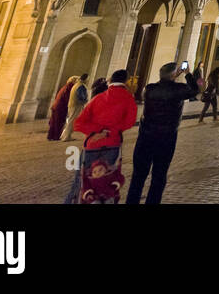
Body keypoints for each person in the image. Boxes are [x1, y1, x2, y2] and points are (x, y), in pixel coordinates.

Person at [125, 62, 198, 205]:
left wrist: (172, 76)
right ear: (173, 74)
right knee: (159, 176)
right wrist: (187, 74)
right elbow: (195, 90)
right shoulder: (178, 89)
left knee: (138, 176)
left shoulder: (149, 89)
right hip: (166, 138)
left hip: (146, 136)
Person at [66, 69, 137, 204]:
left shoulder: (98, 98)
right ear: (126, 82)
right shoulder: (128, 98)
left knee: (82, 179)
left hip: (92, 144)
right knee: (106, 181)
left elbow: (79, 123)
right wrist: (109, 132)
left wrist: (96, 132)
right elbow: (129, 122)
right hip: (112, 144)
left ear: (110, 80)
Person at [47, 76, 78, 141]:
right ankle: (56, 136)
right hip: (60, 107)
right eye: (77, 81)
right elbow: (68, 98)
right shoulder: (69, 87)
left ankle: (51, 136)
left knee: (54, 122)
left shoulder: (65, 86)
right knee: (59, 123)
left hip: (56, 106)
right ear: (73, 81)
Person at [62, 73, 90, 141]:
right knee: (72, 121)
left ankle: (65, 135)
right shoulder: (81, 86)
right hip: (76, 105)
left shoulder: (76, 85)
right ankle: (66, 137)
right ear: (85, 79)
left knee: (71, 120)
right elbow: (81, 96)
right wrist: (85, 100)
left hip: (72, 105)